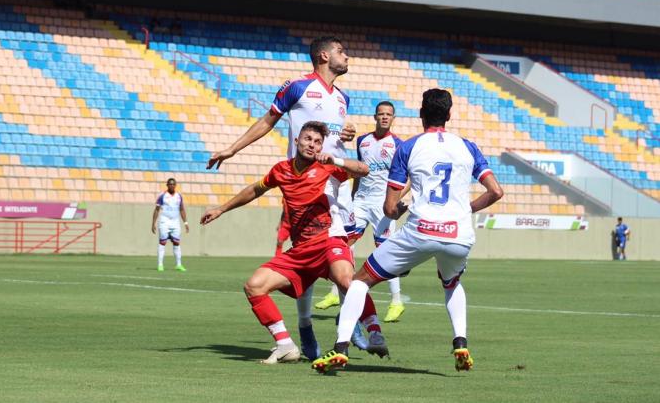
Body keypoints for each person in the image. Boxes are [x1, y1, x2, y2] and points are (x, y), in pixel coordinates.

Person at [312, 89, 504, 374]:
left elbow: (390, 208)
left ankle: (340, 347)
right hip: (458, 234)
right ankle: (460, 342)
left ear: (421, 114)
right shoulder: (468, 147)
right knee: (451, 283)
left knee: (360, 281)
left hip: (420, 230)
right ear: (449, 115)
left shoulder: (409, 147)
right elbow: (496, 192)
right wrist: (465, 210)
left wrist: (399, 209)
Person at [206, 35, 358, 361]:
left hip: (337, 185)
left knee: (342, 263)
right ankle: (306, 326)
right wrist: (232, 149)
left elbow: (334, 141)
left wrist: (346, 134)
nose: (347, 56)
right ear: (323, 55)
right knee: (308, 257)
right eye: (341, 51)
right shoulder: (297, 87)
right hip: (304, 185)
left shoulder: (343, 98)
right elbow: (268, 120)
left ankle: (351, 328)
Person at [201, 122, 387, 364]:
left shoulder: (327, 167)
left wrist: (337, 160)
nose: (312, 145)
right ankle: (285, 345)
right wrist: (221, 209)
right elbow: (255, 190)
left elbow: (364, 169)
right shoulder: (281, 170)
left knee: (347, 281)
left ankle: (375, 332)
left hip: (329, 239)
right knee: (254, 286)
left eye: (317, 142)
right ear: (297, 141)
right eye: (308, 139)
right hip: (300, 250)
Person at [315, 101, 410, 323]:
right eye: (381, 114)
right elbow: (358, 171)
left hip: (382, 204)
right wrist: (353, 196)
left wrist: (395, 199)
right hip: (360, 201)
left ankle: (396, 301)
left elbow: (407, 178)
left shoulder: (398, 145)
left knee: (386, 250)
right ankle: (335, 292)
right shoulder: (363, 141)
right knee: (344, 241)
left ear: (393, 118)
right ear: (375, 117)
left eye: (388, 114)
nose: (384, 117)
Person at [151, 178, 189, 272]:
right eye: (170, 184)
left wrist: (185, 223)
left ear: (175, 185)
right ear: (167, 185)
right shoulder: (162, 196)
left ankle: (178, 264)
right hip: (164, 221)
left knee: (176, 243)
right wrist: (153, 223)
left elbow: (182, 209)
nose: (171, 186)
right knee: (162, 243)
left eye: (173, 184)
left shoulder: (179, 196)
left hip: (175, 222)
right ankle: (160, 265)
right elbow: (157, 210)